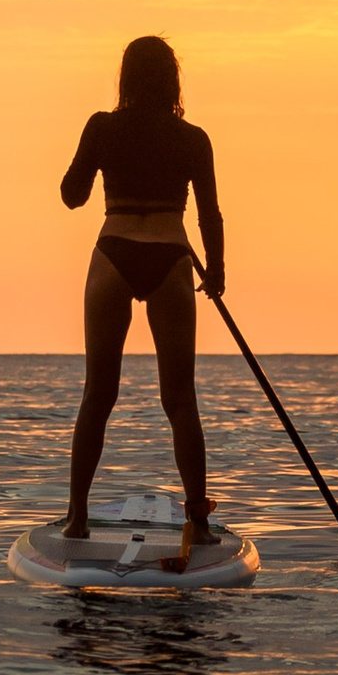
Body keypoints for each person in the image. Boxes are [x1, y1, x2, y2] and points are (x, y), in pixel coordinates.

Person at [59, 36, 226, 565]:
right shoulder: (193, 138)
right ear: (172, 81)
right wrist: (216, 272)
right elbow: (210, 213)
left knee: (98, 394)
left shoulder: (102, 127)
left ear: (125, 78)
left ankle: (78, 517)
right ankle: (198, 524)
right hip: (171, 257)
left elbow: (72, 195)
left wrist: (95, 159)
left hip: (115, 252)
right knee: (180, 399)